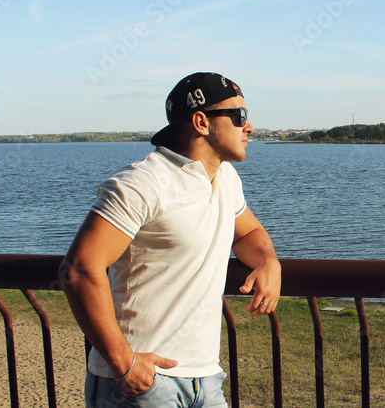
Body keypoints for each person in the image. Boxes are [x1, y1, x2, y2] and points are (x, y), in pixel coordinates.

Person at [59, 72, 281, 407]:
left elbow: (248, 232)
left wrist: (268, 260)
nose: (248, 127)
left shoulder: (225, 178)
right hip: (141, 384)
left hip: (206, 379)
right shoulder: (143, 183)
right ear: (201, 121)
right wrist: (124, 363)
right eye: (239, 117)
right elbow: (78, 270)